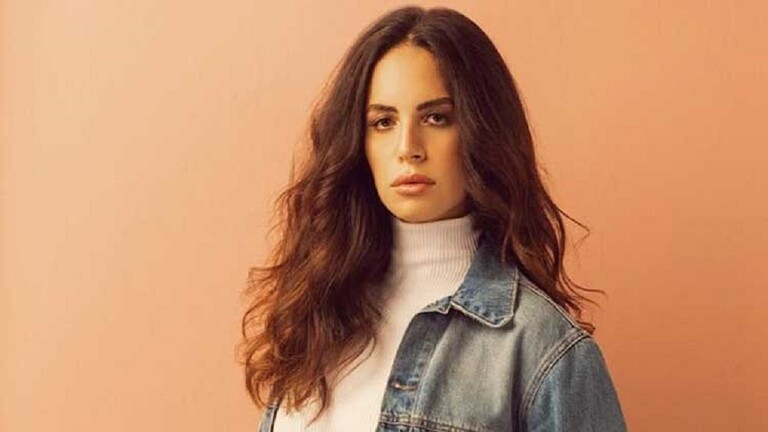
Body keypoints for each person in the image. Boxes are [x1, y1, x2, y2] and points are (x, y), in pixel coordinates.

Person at [241, 5, 627, 431]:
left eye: (436, 118)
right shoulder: (316, 318)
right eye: (383, 122)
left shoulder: (543, 349)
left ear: (481, 130)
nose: (408, 147)